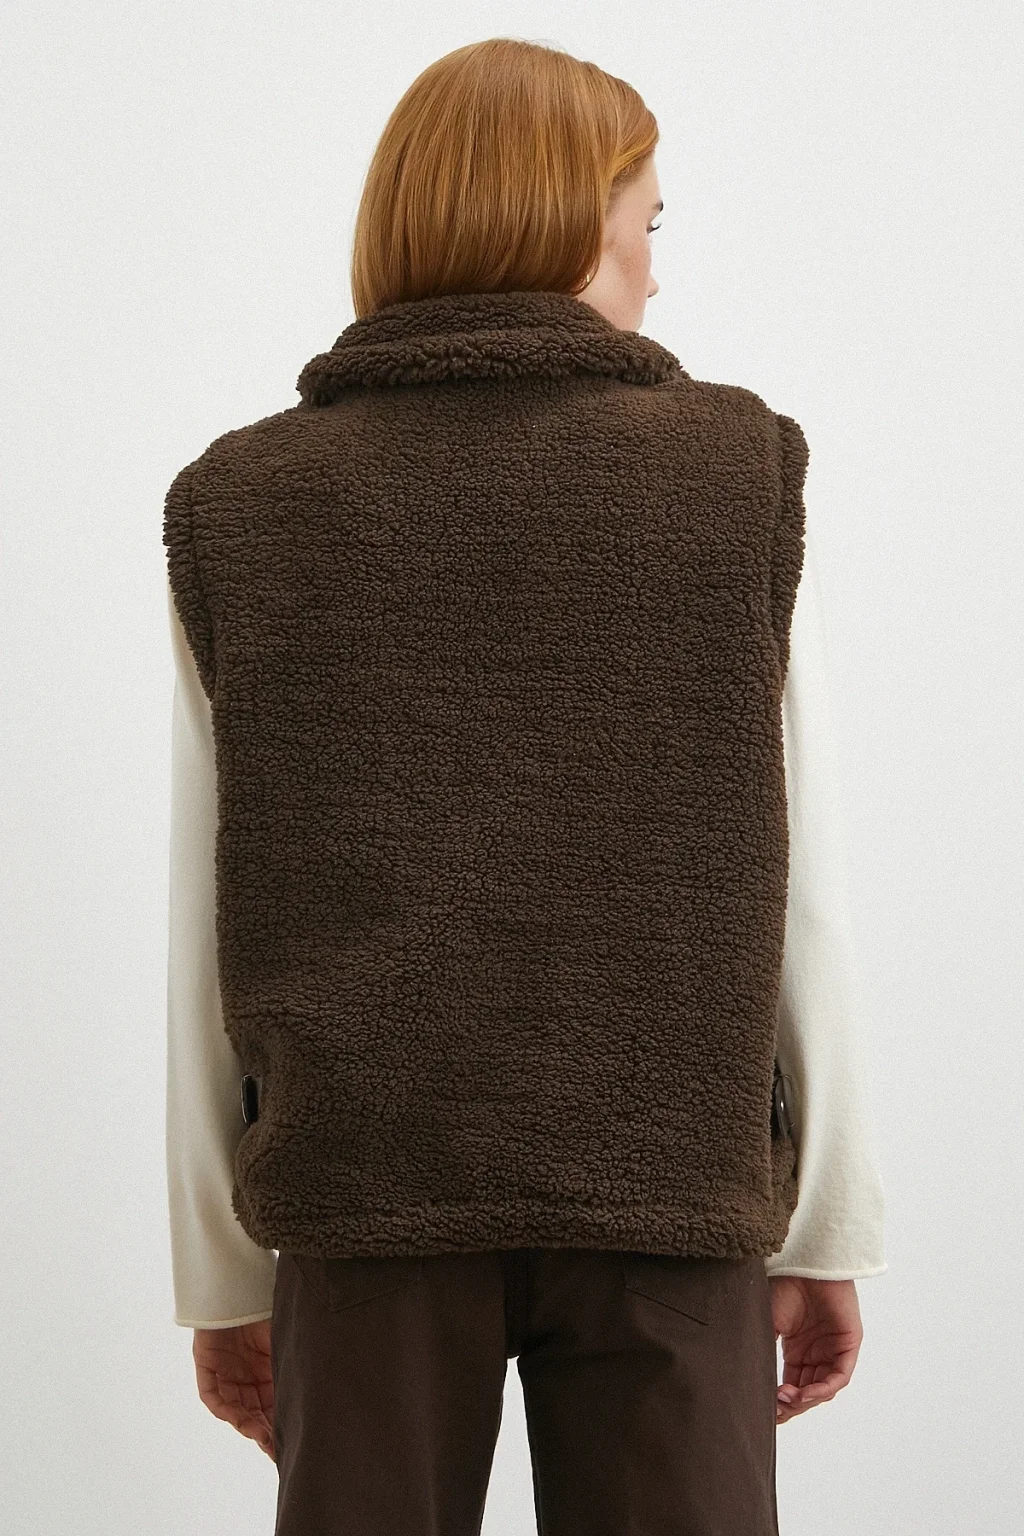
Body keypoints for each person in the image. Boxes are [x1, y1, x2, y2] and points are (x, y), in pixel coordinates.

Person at [163, 37, 886, 1536]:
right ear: (569, 223)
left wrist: (221, 1270)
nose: (657, 272)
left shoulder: (243, 502)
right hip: (669, 1194)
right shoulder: (733, 477)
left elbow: (206, 910)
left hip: (363, 1199)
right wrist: (823, 1222)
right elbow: (798, 884)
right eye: (647, 223)